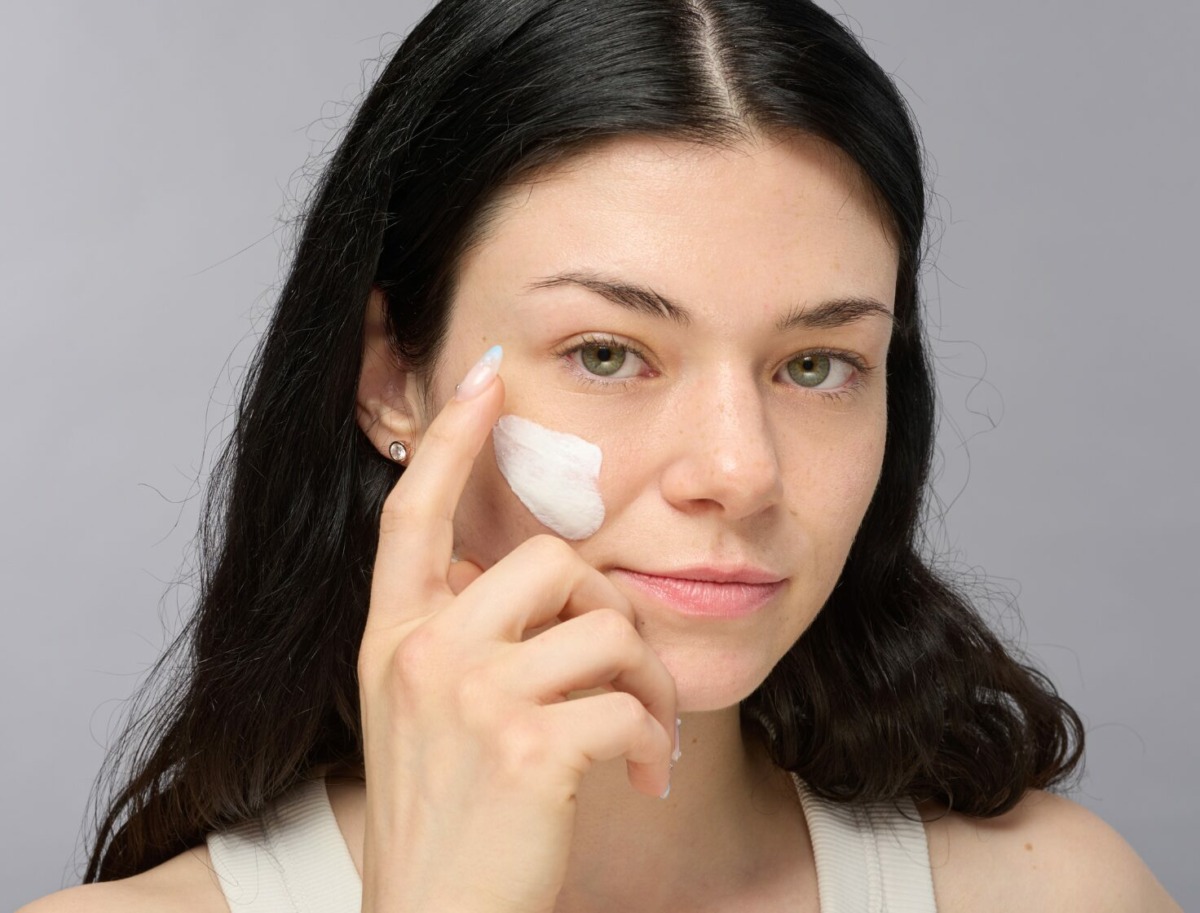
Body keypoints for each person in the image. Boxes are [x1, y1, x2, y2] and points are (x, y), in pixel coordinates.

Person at [20, 1, 1182, 911]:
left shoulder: (1058, 893)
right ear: (390, 378)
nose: (740, 470)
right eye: (609, 353)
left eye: (816, 364)